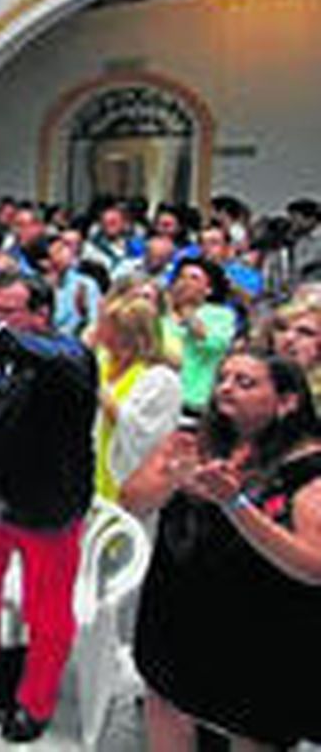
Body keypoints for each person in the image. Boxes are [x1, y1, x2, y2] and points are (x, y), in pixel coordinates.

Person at [121, 351, 321, 749]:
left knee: (253, 727)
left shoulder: (308, 468)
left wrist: (234, 503)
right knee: (165, 697)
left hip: (259, 630)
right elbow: (131, 503)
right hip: (176, 611)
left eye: (245, 383)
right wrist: (171, 479)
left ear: (287, 401)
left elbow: (313, 567)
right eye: (223, 378)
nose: (226, 388)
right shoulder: (191, 441)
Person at [0, 271, 96, 743]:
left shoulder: (71, 357)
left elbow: (56, 361)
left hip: (45, 509)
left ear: (42, 314)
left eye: (8, 313)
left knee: (46, 615)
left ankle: (35, 703)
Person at [91, 289, 181, 502]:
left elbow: (143, 432)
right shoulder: (101, 361)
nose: (100, 334)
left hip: (126, 484)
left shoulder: (160, 380)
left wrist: (95, 387)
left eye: (108, 329)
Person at [162, 256, 238, 417]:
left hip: (193, 401)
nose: (185, 283)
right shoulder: (160, 315)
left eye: (194, 278)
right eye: (181, 277)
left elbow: (214, 344)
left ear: (208, 289)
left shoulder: (220, 315)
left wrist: (188, 313)